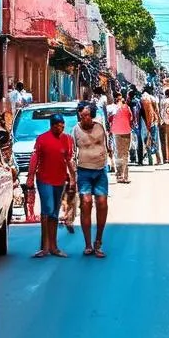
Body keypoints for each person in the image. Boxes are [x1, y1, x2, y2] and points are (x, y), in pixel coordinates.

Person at [26, 113, 76, 258]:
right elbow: (35, 158)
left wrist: (73, 177)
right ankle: (44, 246)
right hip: (44, 179)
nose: (61, 129)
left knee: (54, 212)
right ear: (52, 126)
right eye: (58, 126)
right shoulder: (42, 139)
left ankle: (53, 246)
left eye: (63, 126)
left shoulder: (67, 139)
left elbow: (69, 160)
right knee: (47, 210)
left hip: (59, 180)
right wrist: (30, 177)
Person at [72, 102, 109, 257]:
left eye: (87, 115)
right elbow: (73, 153)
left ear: (92, 115)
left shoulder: (100, 128)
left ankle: (98, 242)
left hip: (100, 171)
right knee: (86, 203)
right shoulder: (75, 130)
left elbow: (107, 146)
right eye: (82, 115)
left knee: (102, 203)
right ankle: (88, 244)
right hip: (84, 172)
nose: (84, 118)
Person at [109, 92, 133, 183]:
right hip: (126, 131)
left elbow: (110, 119)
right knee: (125, 154)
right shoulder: (127, 108)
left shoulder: (112, 108)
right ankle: (125, 176)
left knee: (118, 154)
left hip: (117, 132)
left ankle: (119, 176)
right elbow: (131, 118)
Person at [140, 86, 161, 165]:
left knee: (147, 140)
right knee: (154, 140)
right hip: (153, 121)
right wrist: (159, 119)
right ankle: (157, 159)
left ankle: (150, 160)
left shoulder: (143, 99)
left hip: (145, 122)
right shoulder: (152, 98)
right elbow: (157, 110)